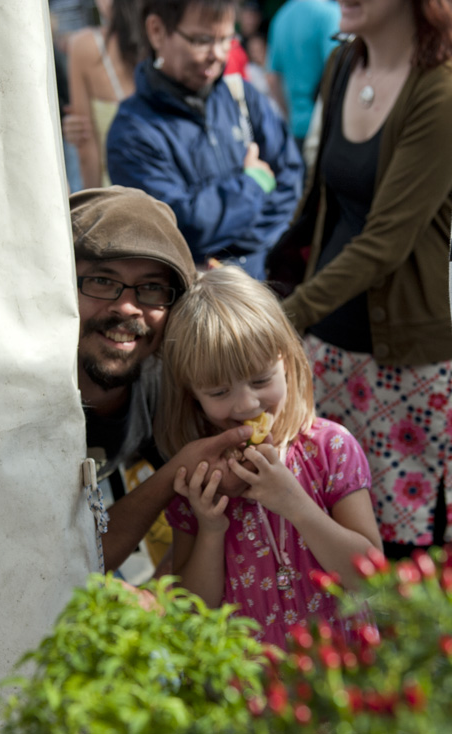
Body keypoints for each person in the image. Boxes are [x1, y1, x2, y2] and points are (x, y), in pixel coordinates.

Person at [279, 0, 452, 558]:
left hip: (406, 363)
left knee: (404, 551)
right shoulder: (343, 64)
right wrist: (264, 280)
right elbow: (321, 201)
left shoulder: (440, 91)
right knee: (329, 537)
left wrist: (282, 316)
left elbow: (385, 242)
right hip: (328, 348)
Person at [155, 267, 382, 647]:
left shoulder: (329, 449)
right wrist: (210, 528)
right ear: (191, 394)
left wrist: (295, 504)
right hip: (247, 674)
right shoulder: (196, 478)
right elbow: (193, 614)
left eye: (261, 380)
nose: (246, 404)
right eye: (219, 391)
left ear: (286, 363)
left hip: (339, 667)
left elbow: (371, 578)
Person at [71, 186, 256, 573]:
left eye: (152, 288)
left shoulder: (168, 380)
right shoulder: (16, 399)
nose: (127, 306)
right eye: (102, 280)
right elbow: (62, 563)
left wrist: (158, 591)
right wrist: (174, 474)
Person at [106, 0, 303, 280]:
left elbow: (291, 182)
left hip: (267, 283)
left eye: (226, 39)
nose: (218, 54)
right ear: (157, 31)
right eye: (202, 40)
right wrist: (254, 184)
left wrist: (233, 245)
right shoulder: (132, 131)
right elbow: (178, 227)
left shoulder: (241, 97)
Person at [64, 0, 145, 189]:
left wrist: (91, 201)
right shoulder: (167, 38)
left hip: (115, 197)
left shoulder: (84, 46)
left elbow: (87, 151)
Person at [266, 0, 340, 149]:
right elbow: (338, 69)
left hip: (295, 127)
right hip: (326, 129)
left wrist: (289, 115)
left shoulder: (280, 18)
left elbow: (272, 78)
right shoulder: (330, 13)